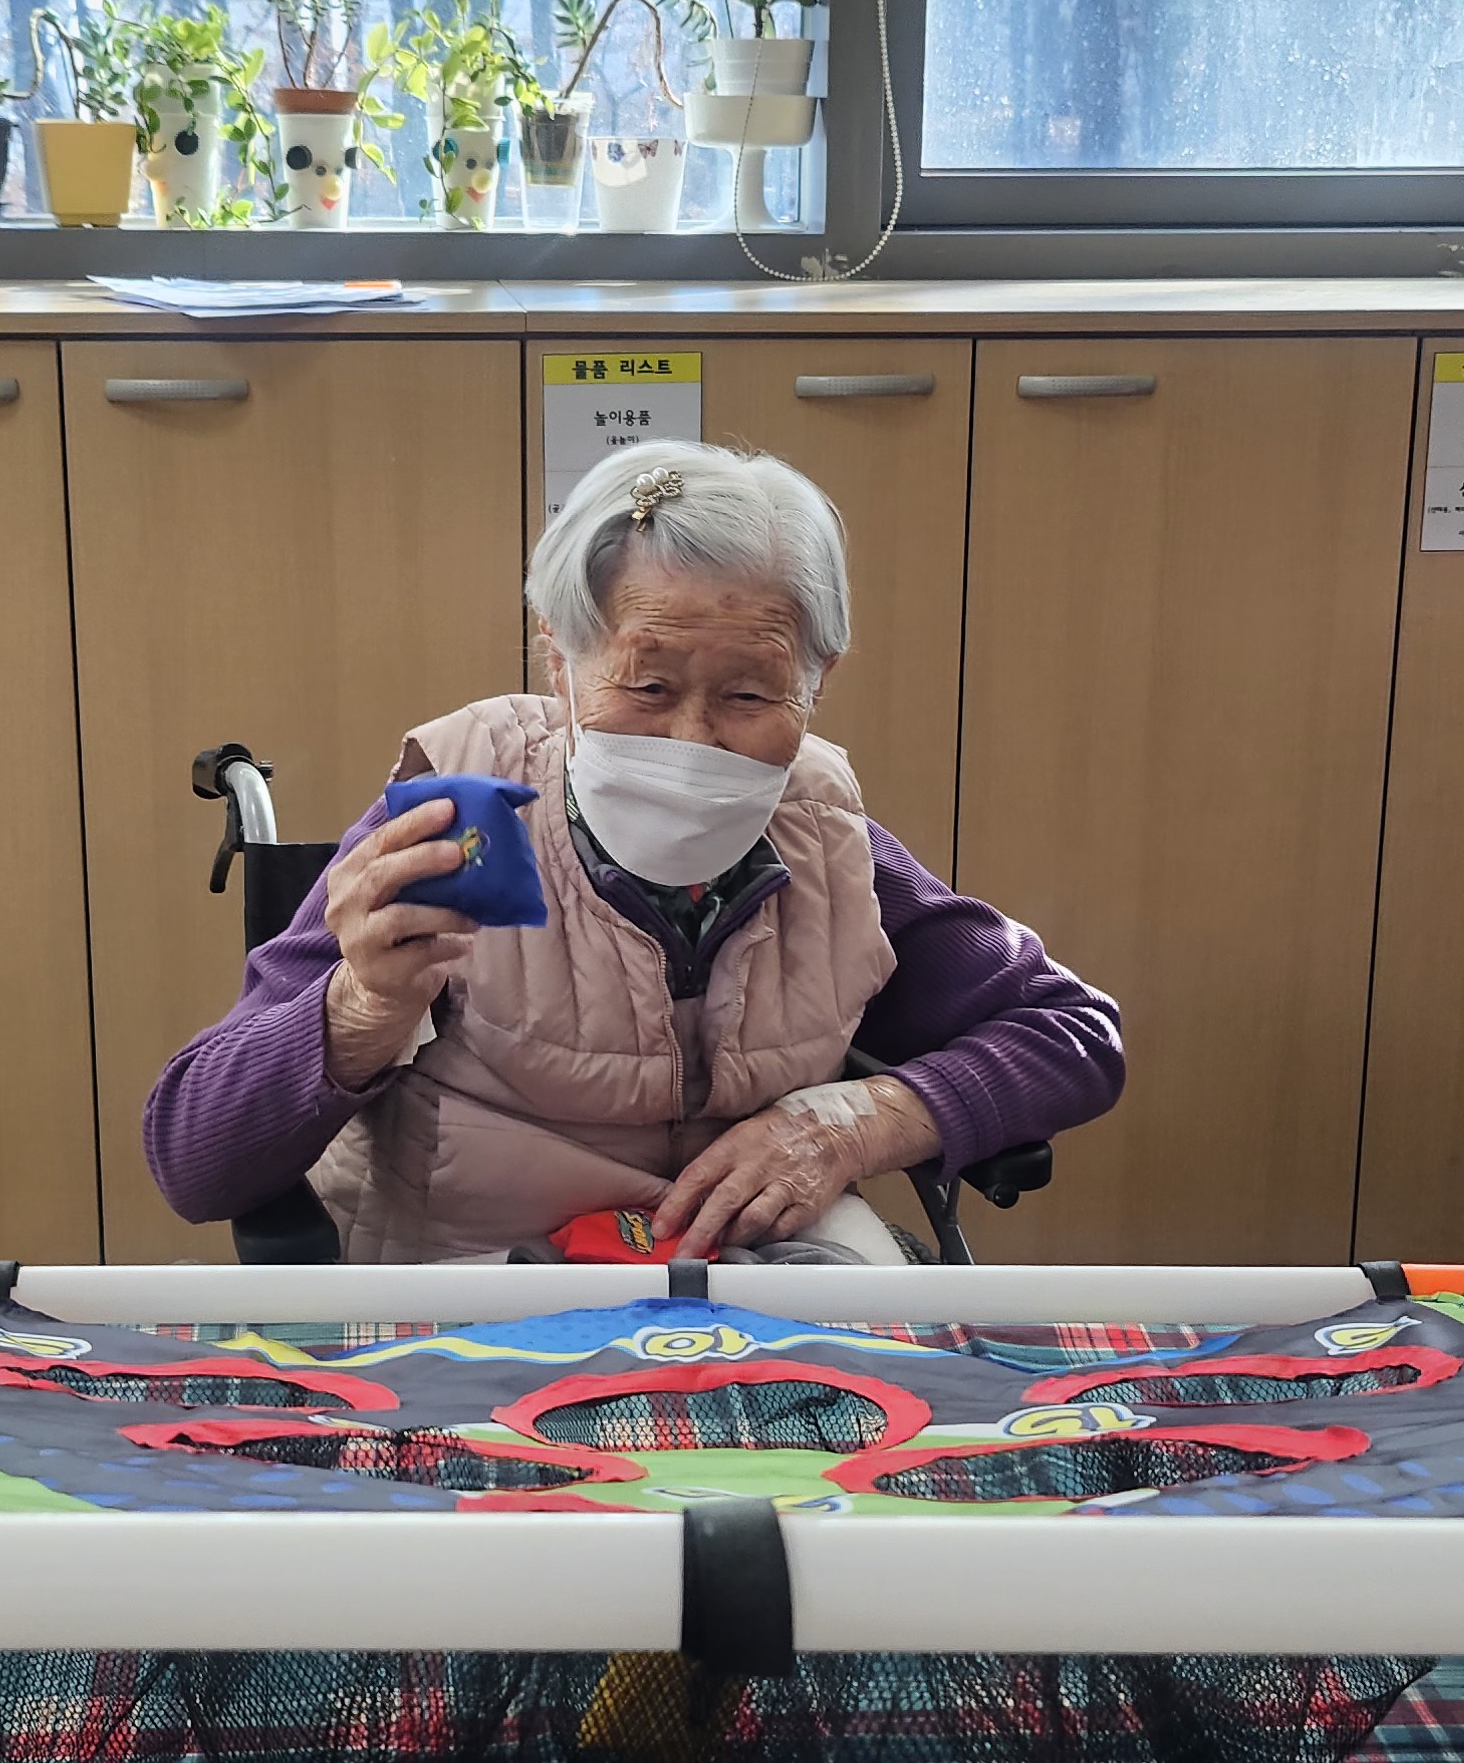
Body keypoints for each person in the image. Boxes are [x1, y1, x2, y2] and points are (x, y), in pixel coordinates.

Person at [146, 441, 1123, 1263]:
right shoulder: (459, 821)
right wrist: (360, 1010)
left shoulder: (827, 839)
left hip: (752, 1300)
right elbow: (192, 1158)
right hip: (479, 1292)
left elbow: (1072, 1031)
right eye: (647, 687)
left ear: (817, 682)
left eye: (750, 695)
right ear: (559, 658)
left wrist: (858, 1124)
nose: (693, 740)